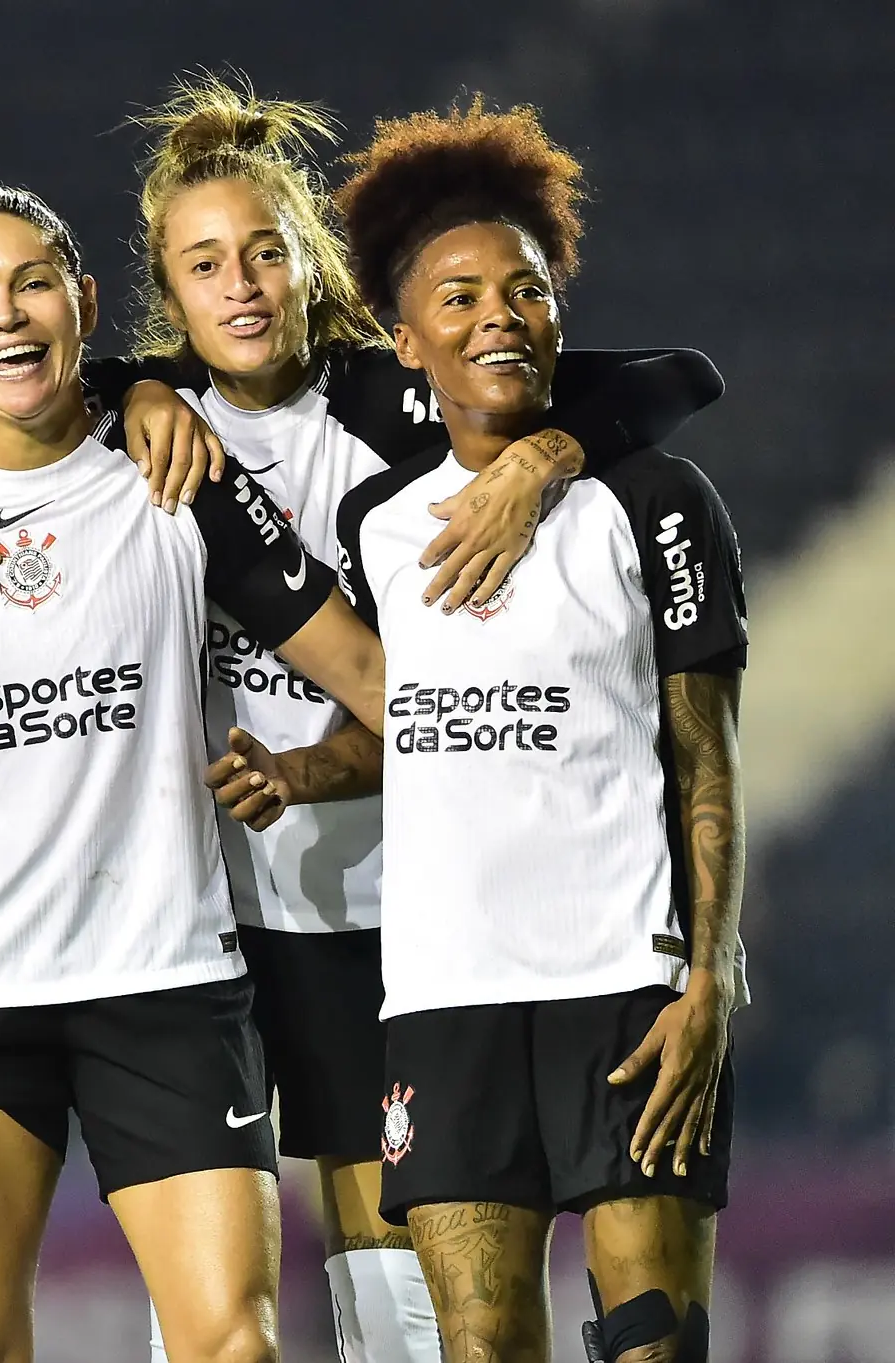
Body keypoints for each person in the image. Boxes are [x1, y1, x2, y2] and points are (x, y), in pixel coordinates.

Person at [111, 75, 720, 1363]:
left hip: (391, 912)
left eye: (266, 252)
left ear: (313, 265)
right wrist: (124, 397)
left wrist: (545, 455)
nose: (240, 287)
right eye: (203, 265)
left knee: (396, 1305)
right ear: (165, 294)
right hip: (200, 914)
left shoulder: (399, 394)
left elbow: (670, 380)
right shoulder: (133, 422)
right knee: (208, 1301)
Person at [0, 186, 389, 1363]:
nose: (3, 315)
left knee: (232, 1343)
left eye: (30, 283)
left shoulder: (179, 480)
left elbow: (378, 682)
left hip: (162, 976)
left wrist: (318, 767)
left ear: (83, 304)